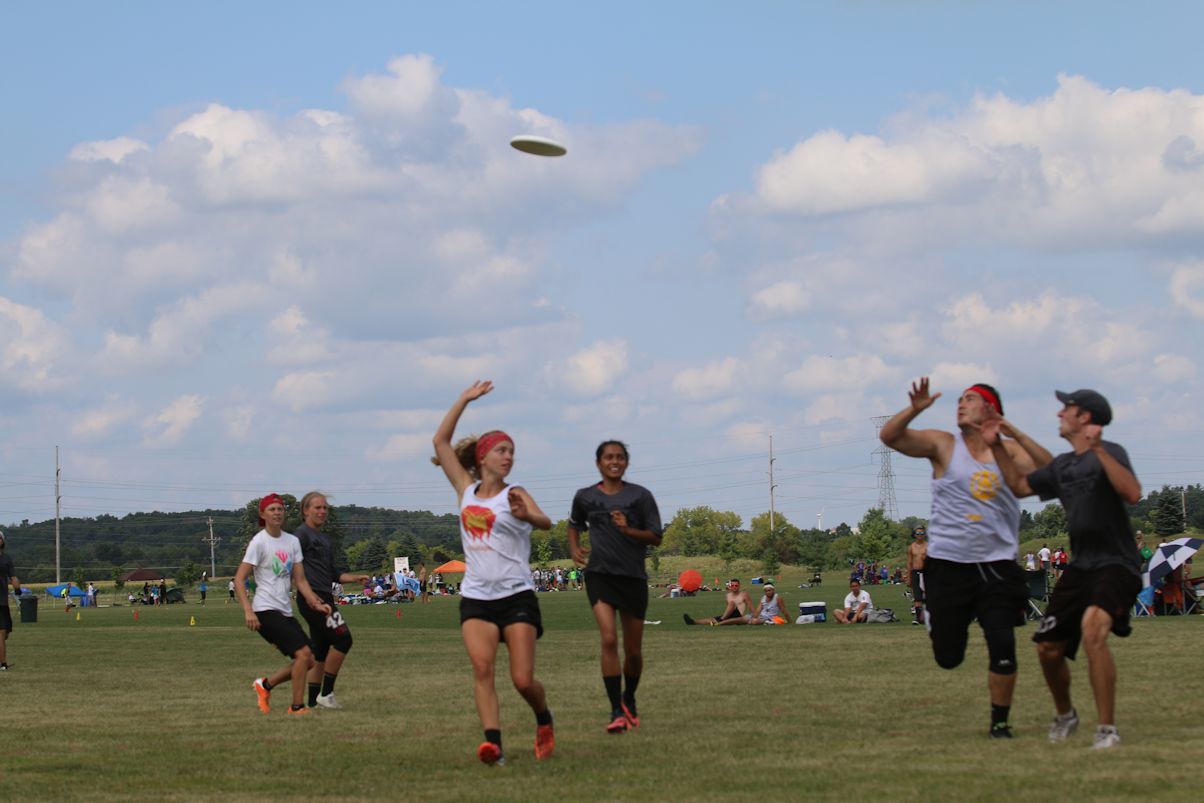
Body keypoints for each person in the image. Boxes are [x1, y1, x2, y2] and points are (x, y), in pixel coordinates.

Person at [881, 378, 1048, 738]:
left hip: (997, 565)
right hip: (948, 566)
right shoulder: (944, 444)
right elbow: (890, 437)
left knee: (1002, 643)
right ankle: (934, 618)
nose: (960, 404)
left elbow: (1052, 470)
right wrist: (914, 409)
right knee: (949, 657)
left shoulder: (1010, 450)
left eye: (970, 399)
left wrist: (1011, 432)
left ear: (991, 409)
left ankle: (1000, 724)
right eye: (959, 399)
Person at [983, 388, 1142, 749]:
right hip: (1080, 567)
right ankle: (1066, 714)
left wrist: (1099, 450)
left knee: (1093, 631)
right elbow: (1019, 486)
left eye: (1065, 408)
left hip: (1117, 564)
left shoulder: (1111, 451)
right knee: (1047, 648)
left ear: (1084, 417)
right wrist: (997, 445)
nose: (1059, 414)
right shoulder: (1064, 466)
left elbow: (1132, 493)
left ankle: (1107, 730)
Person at [431, 380, 555, 766]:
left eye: (512, 452)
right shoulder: (465, 490)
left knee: (522, 680)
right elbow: (440, 442)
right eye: (502, 450)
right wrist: (464, 399)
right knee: (482, 669)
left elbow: (546, 522)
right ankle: (494, 746)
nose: (508, 457)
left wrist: (526, 514)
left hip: (516, 595)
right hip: (477, 597)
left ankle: (543, 718)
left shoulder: (514, 492)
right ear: (483, 456)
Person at [567, 440, 664, 734]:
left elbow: (656, 537)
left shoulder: (640, 496)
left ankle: (629, 698)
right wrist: (574, 547)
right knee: (608, 639)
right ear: (598, 463)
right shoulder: (585, 496)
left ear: (626, 462)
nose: (614, 461)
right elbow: (574, 523)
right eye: (609, 457)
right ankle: (615, 711)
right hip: (600, 576)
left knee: (633, 652)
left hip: (633, 578)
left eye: (620, 457)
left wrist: (627, 529)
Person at [235, 493, 331, 717]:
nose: (277, 513)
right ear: (263, 514)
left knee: (308, 660)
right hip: (264, 610)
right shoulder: (259, 542)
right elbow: (239, 579)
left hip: (284, 610)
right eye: (272, 509)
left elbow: (300, 580)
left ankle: (265, 685)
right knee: (303, 654)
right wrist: (248, 610)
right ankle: (297, 707)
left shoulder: (292, 541)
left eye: (280, 509)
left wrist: (315, 602)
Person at [295, 491, 371, 709]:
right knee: (343, 639)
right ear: (305, 510)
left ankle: (312, 703)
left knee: (320, 651)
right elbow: (294, 570)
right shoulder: (301, 536)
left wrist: (354, 578)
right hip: (313, 599)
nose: (322, 511)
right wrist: (311, 598)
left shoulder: (325, 539)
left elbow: (333, 574)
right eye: (317, 507)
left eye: (325, 508)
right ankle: (326, 694)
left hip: (325, 597)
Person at [683, 579, 753, 626]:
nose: (734, 587)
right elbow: (729, 609)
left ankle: (721, 619)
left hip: (738, 616)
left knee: (732, 603)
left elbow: (750, 607)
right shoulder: (728, 596)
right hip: (730, 615)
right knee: (711, 619)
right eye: (732, 585)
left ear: (739, 586)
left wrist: (754, 616)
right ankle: (693, 622)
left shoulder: (744, 594)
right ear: (730, 586)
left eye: (736, 585)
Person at [1, 531, 21, 670]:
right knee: (2, 632)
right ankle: (3, 664)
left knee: (5, 633)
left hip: (2, 601)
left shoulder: (6, 559)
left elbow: (13, 577)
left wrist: (17, 588)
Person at [906, 525, 928, 625]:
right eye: (918, 533)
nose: (920, 535)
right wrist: (909, 577)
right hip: (915, 572)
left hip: (926, 572)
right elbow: (909, 562)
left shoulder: (928, 546)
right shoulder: (912, 547)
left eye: (922, 533)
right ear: (914, 535)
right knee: (917, 596)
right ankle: (918, 618)